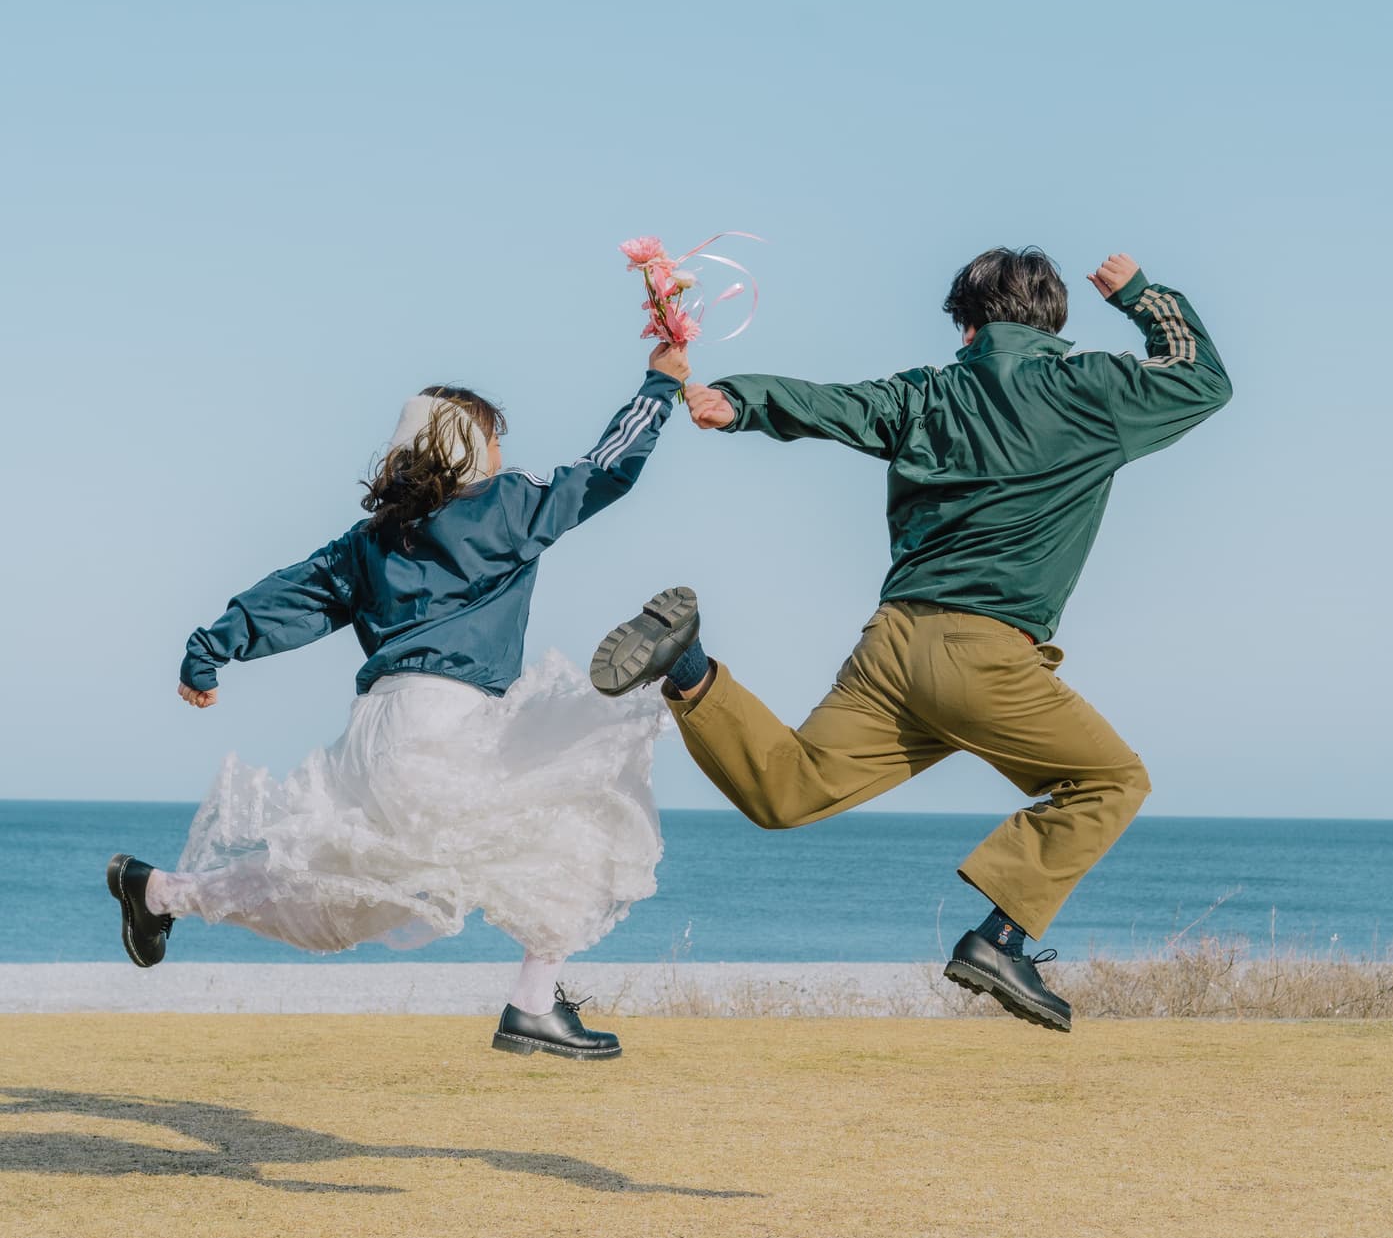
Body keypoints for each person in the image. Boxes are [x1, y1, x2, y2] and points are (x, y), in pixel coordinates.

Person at [590, 251, 1231, 1034]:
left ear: (968, 327)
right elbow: (1203, 378)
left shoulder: (928, 392)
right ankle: (1000, 940)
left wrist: (742, 400)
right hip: (987, 656)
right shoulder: (1091, 389)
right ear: (1051, 321)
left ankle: (687, 664)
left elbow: (835, 403)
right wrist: (1139, 294)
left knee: (787, 790)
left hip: (893, 647)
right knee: (1111, 781)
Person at [106, 339, 691, 1060]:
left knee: (333, 887)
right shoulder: (506, 507)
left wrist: (209, 651)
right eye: (495, 440)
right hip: (450, 723)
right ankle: (534, 1004)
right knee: (589, 802)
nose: (503, 455)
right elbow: (606, 468)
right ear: (469, 444)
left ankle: (157, 893)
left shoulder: (373, 540)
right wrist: (659, 385)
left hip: (377, 730)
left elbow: (291, 595)